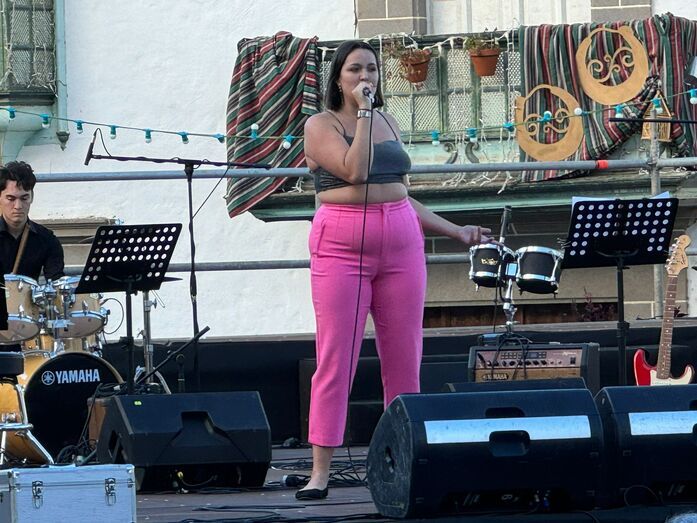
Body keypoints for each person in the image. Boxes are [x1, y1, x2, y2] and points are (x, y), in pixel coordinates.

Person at [298, 40, 494, 500]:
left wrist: (457, 231)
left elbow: (401, 192)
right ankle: (320, 471)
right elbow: (355, 172)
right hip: (342, 241)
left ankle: (404, 461)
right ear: (338, 78)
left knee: (405, 356)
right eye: (355, 69)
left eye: (371, 69)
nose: (365, 77)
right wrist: (364, 114)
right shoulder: (321, 125)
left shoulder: (388, 121)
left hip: (401, 239)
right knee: (337, 357)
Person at [0, 161, 64, 350]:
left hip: (28, 329)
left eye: (24, 198)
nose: (18, 206)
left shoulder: (47, 239)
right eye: (10, 198)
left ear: (32, 197)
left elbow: (56, 284)